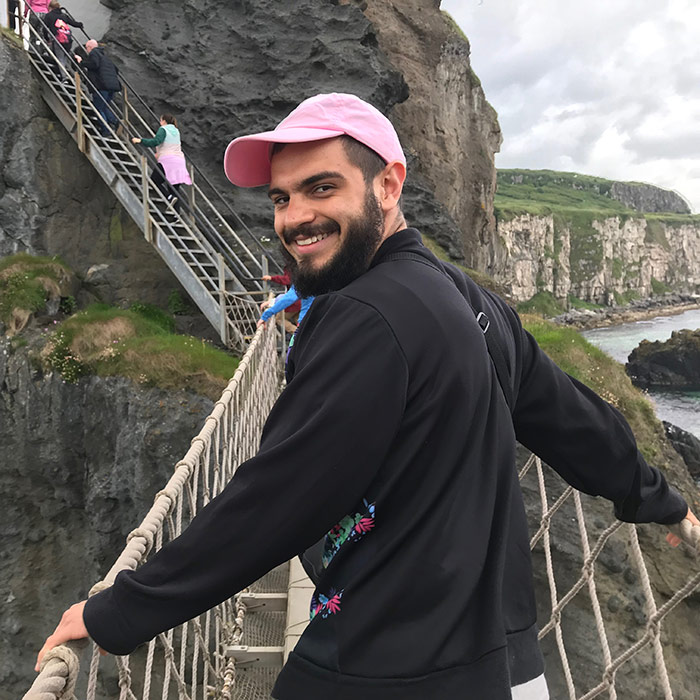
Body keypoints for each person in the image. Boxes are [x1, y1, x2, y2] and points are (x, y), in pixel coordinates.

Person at [36, 93, 699, 700]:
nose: (295, 217)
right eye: (281, 198)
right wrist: (662, 501)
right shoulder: (475, 304)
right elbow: (575, 421)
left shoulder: (361, 315)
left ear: (388, 183)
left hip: (389, 669)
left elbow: (279, 497)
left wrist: (118, 610)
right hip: (512, 670)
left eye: (322, 188)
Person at [132, 115, 193, 211]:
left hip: (167, 161)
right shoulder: (176, 131)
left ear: (164, 121)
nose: (160, 122)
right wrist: (159, 153)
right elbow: (169, 144)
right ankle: (176, 216)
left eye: (160, 120)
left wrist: (140, 140)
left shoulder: (163, 129)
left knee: (154, 180)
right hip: (179, 161)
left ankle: (169, 197)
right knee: (174, 187)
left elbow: (156, 141)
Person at [75, 39, 120, 135]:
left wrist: (81, 62)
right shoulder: (105, 56)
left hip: (101, 86)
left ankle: (106, 130)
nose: (86, 50)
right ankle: (114, 121)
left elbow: (94, 65)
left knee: (98, 108)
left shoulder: (94, 53)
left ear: (90, 47)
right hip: (112, 86)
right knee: (103, 106)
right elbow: (116, 69)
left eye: (86, 48)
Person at [42, 0, 82, 78]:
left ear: (50, 7)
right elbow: (73, 23)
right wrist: (80, 24)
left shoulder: (49, 15)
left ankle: (64, 77)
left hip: (58, 39)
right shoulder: (64, 15)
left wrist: (47, 39)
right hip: (67, 40)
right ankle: (68, 75)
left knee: (60, 58)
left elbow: (44, 29)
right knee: (64, 57)